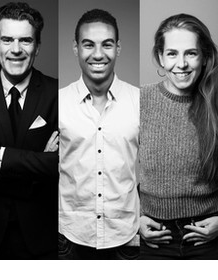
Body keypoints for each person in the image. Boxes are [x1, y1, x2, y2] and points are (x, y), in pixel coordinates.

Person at [137, 13, 218, 260]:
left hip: (207, 238)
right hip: (152, 238)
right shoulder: (139, 101)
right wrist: (134, 217)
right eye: (172, 53)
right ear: (160, 58)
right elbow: (112, 168)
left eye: (191, 53)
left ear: (205, 57)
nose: (182, 64)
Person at [57, 8, 140, 260]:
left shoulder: (139, 101)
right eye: (88, 45)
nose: (97, 54)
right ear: (76, 49)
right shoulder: (57, 103)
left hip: (126, 237)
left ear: (118, 48)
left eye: (106, 44)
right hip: (70, 237)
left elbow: (154, 170)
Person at [0, 1, 58, 260]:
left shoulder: (59, 94)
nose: (15, 50)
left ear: (37, 46)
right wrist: (37, 167)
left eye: (25, 40)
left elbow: (61, 166)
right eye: (7, 40)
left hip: (42, 239)